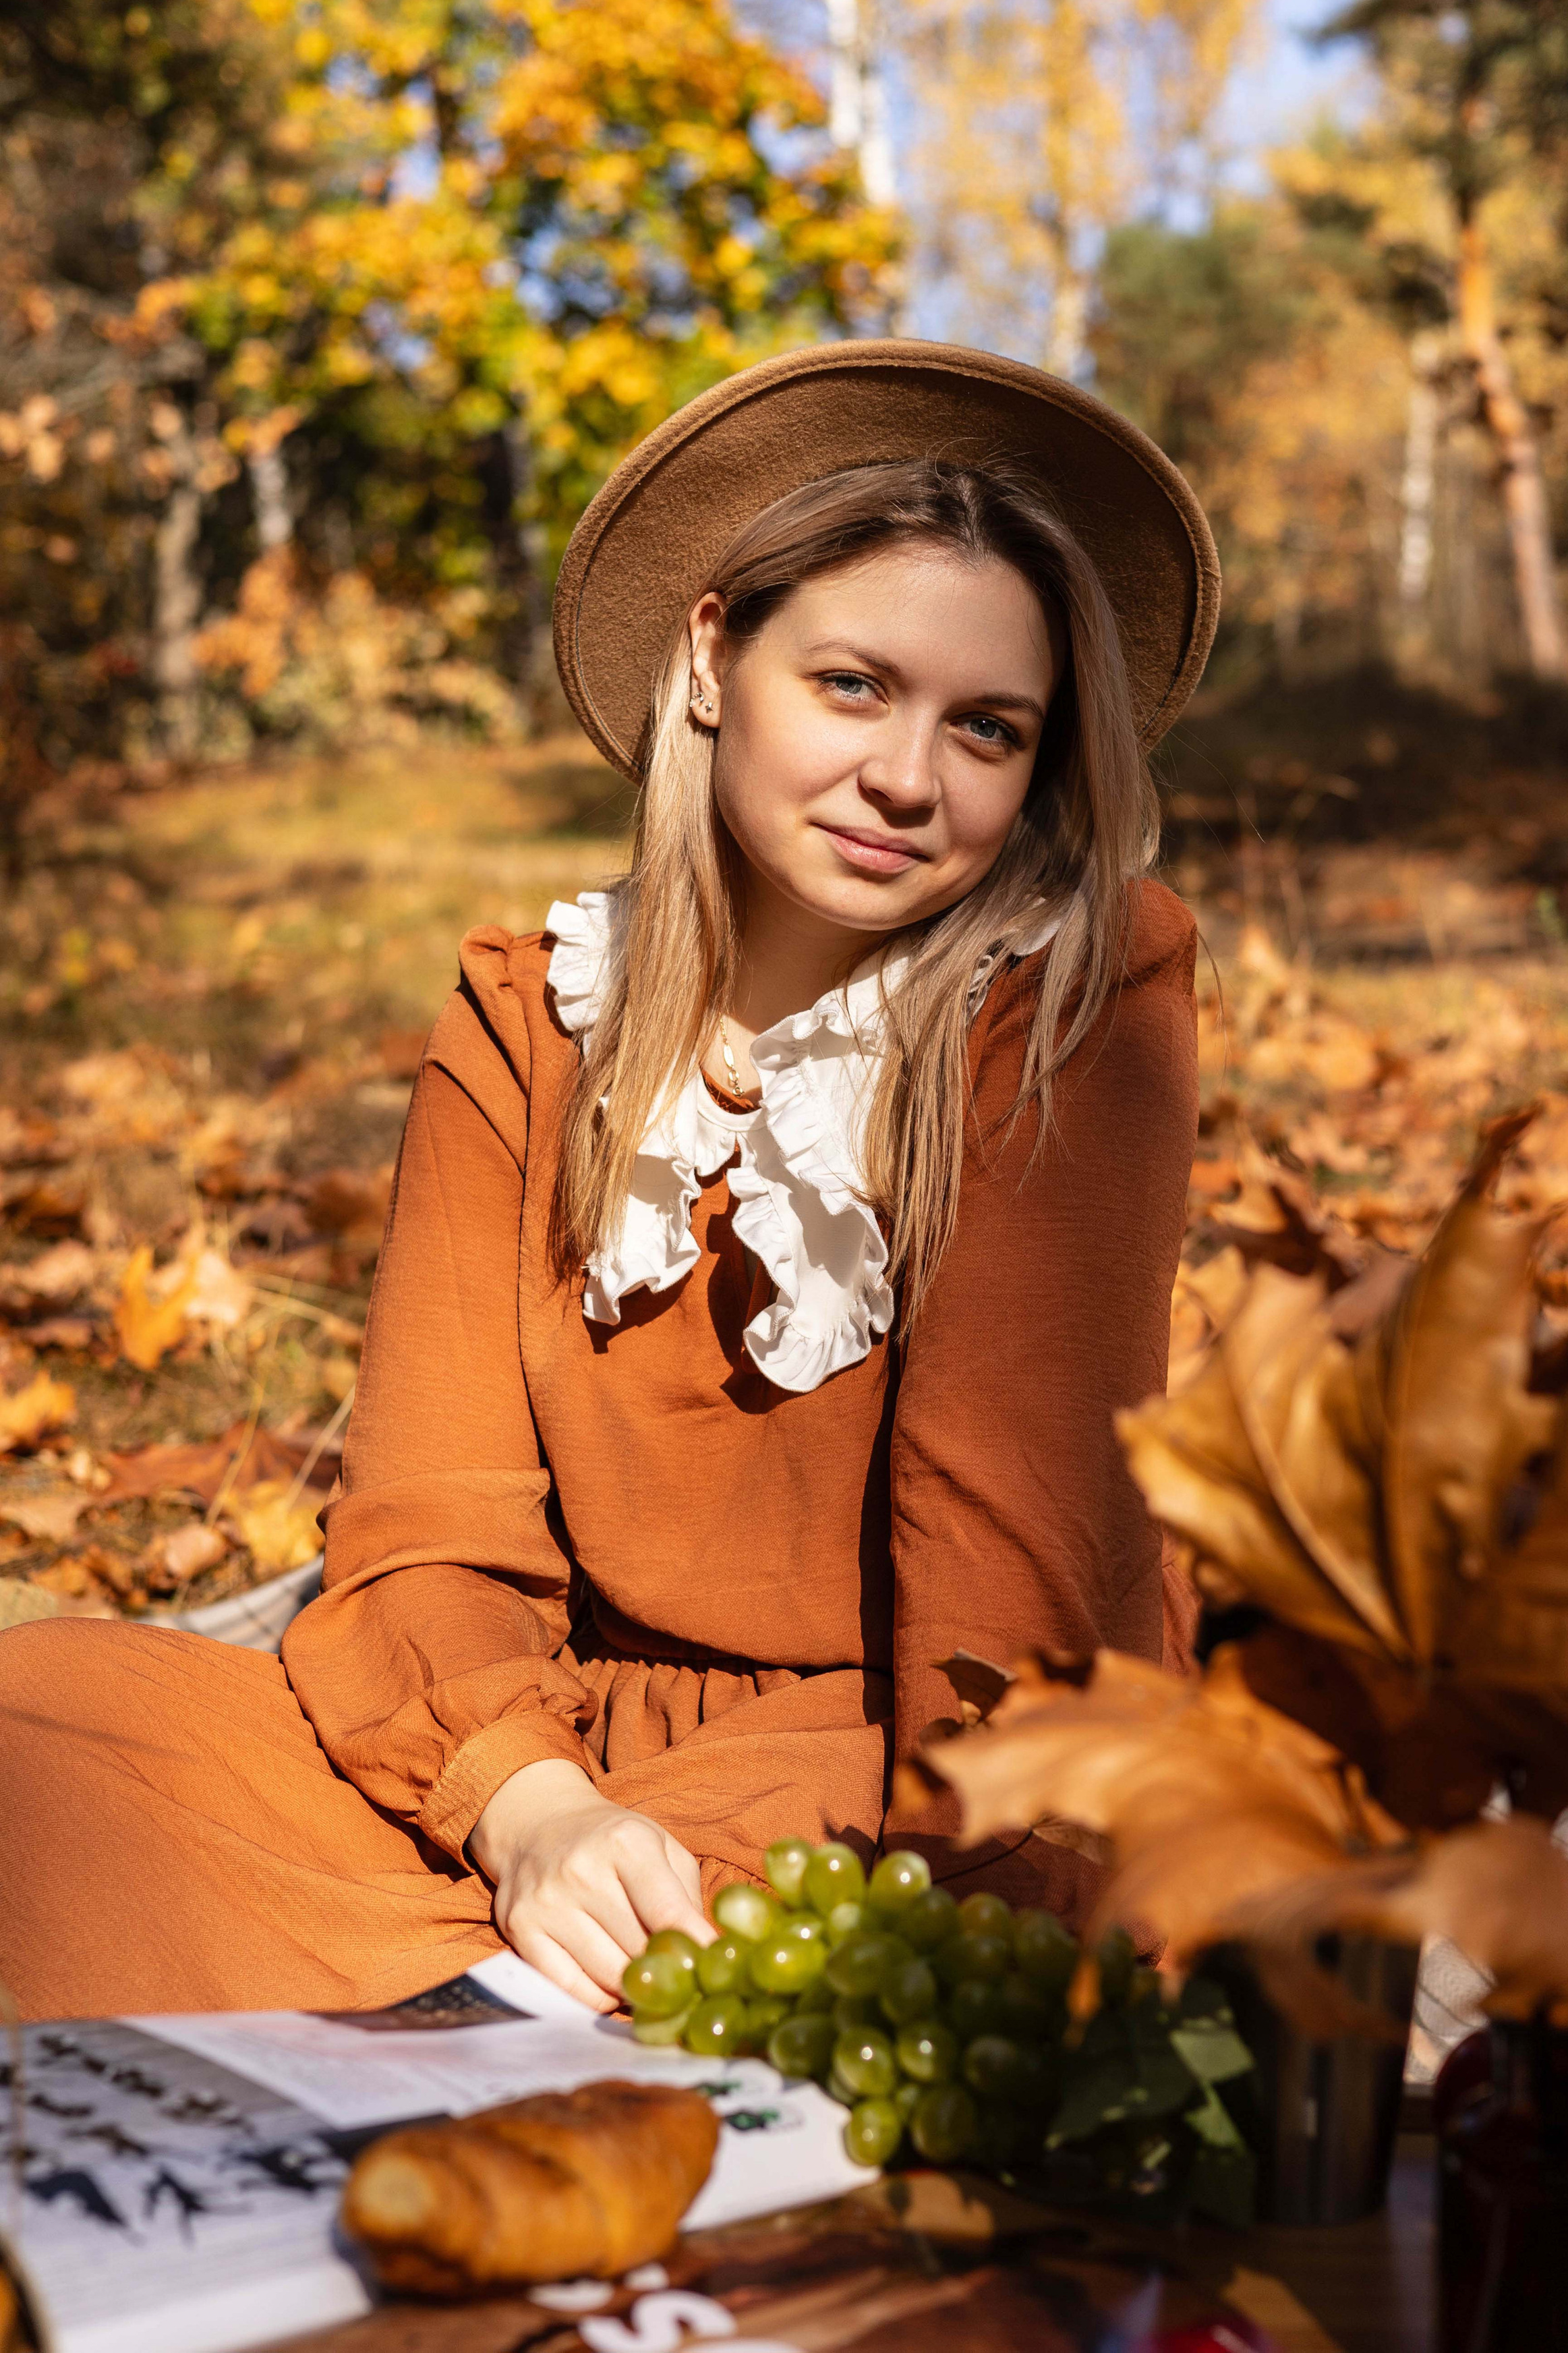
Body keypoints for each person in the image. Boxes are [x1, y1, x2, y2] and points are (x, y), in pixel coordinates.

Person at [0, 339, 1218, 2018]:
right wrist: (529, 1803)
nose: (909, 779)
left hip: (909, 1756)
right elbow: (429, 1519)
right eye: (853, 684)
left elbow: (1008, 1589)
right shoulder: (534, 1010)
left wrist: (982, 1929)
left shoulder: (1075, 998)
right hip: (570, 1733)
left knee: (662, 1972)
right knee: (39, 1729)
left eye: (987, 728)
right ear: (714, 655)